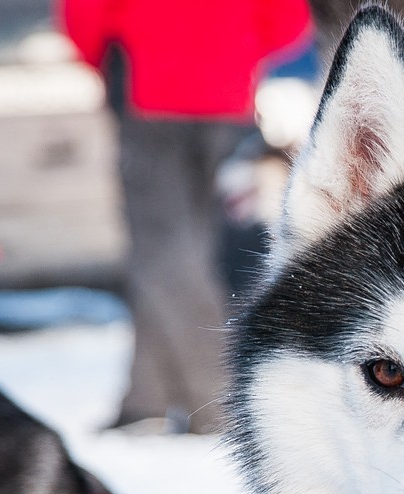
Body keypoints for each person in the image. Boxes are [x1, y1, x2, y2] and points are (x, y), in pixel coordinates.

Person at [58, 0, 310, 433]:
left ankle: (216, 403)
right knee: (193, 251)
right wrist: (237, 49)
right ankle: (147, 400)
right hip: (229, 94)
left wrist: (118, 56)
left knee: (165, 252)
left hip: (151, 91)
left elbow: (84, 14)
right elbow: (290, 19)